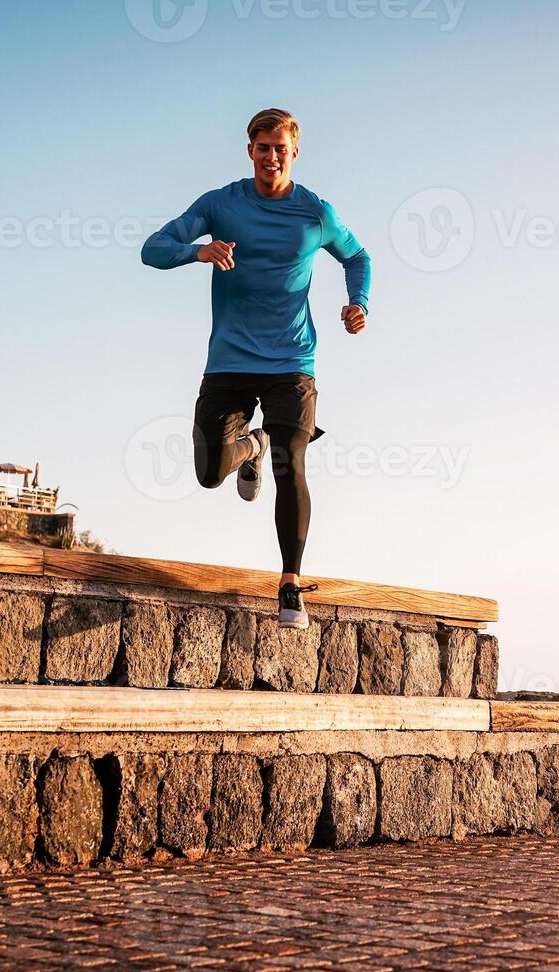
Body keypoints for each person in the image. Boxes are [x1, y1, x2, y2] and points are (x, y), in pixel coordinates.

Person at [142, 108, 371, 630]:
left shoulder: (315, 212)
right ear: (250, 150)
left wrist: (359, 302)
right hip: (229, 361)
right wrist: (198, 252)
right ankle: (253, 446)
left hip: (293, 360)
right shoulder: (221, 204)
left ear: (294, 154)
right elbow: (152, 250)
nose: (272, 157)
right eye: (263, 147)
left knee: (293, 463)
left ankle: (290, 584)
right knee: (207, 473)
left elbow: (359, 258)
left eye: (281, 149)